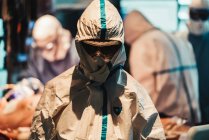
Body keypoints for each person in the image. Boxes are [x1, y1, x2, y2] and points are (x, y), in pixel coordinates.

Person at [30, 1, 165, 140]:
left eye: (107, 49)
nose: (99, 58)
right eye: (92, 48)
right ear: (80, 45)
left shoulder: (135, 95)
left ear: (119, 48)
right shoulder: (56, 91)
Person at [124, 10, 201, 125]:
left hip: (166, 123)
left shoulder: (142, 44)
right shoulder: (178, 39)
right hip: (193, 119)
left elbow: (142, 94)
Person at [20, 15, 80, 84]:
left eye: (48, 48)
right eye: (40, 49)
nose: (43, 53)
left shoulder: (78, 54)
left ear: (61, 40)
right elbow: (29, 76)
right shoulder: (36, 54)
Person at [176, 0, 209, 124]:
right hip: (187, 111)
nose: (199, 21)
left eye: (204, 15)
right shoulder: (180, 41)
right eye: (196, 15)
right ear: (189, 14)